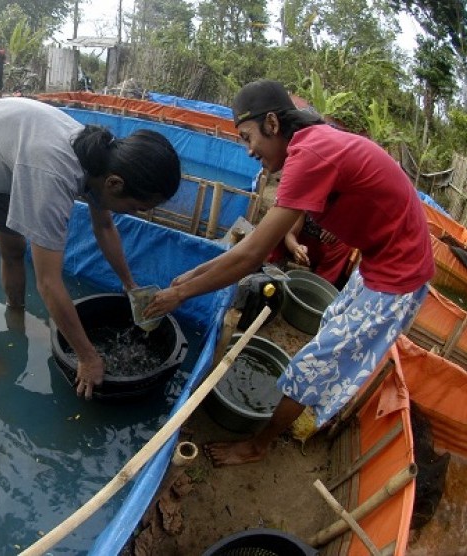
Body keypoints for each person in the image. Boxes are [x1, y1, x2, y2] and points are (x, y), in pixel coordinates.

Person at [143, 79, 434, 466]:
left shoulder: (311, 154)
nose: (248, 151)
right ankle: (319, 402)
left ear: (273, 125)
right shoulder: (311, 142)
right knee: (333, 325)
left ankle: (256, 446)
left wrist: (181, 294)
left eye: (249, 138)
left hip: (399, 277)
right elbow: (253, 246)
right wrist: (191, 276)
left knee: (310, 367)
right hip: (381, 259)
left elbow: (250, 256)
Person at [0, 97, 181, 399]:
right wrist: (88, 357)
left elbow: (103, 226)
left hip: (5, 166)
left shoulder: (100, 161)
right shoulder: (53, 175)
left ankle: (16, 317)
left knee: (13, 249)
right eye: (137, 207)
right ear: (115, 184)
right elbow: (48, 283)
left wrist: (130, 286)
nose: (135, 213)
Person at [268, 212, 354, 289]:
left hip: (323, 252)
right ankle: (271, 266)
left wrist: (339, 227)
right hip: (299, 244)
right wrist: (296, 248)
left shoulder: (344, 210)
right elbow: (291, 234)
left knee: (345, 244)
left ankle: (316, 286)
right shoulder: (306, 205)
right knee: (282, 221)